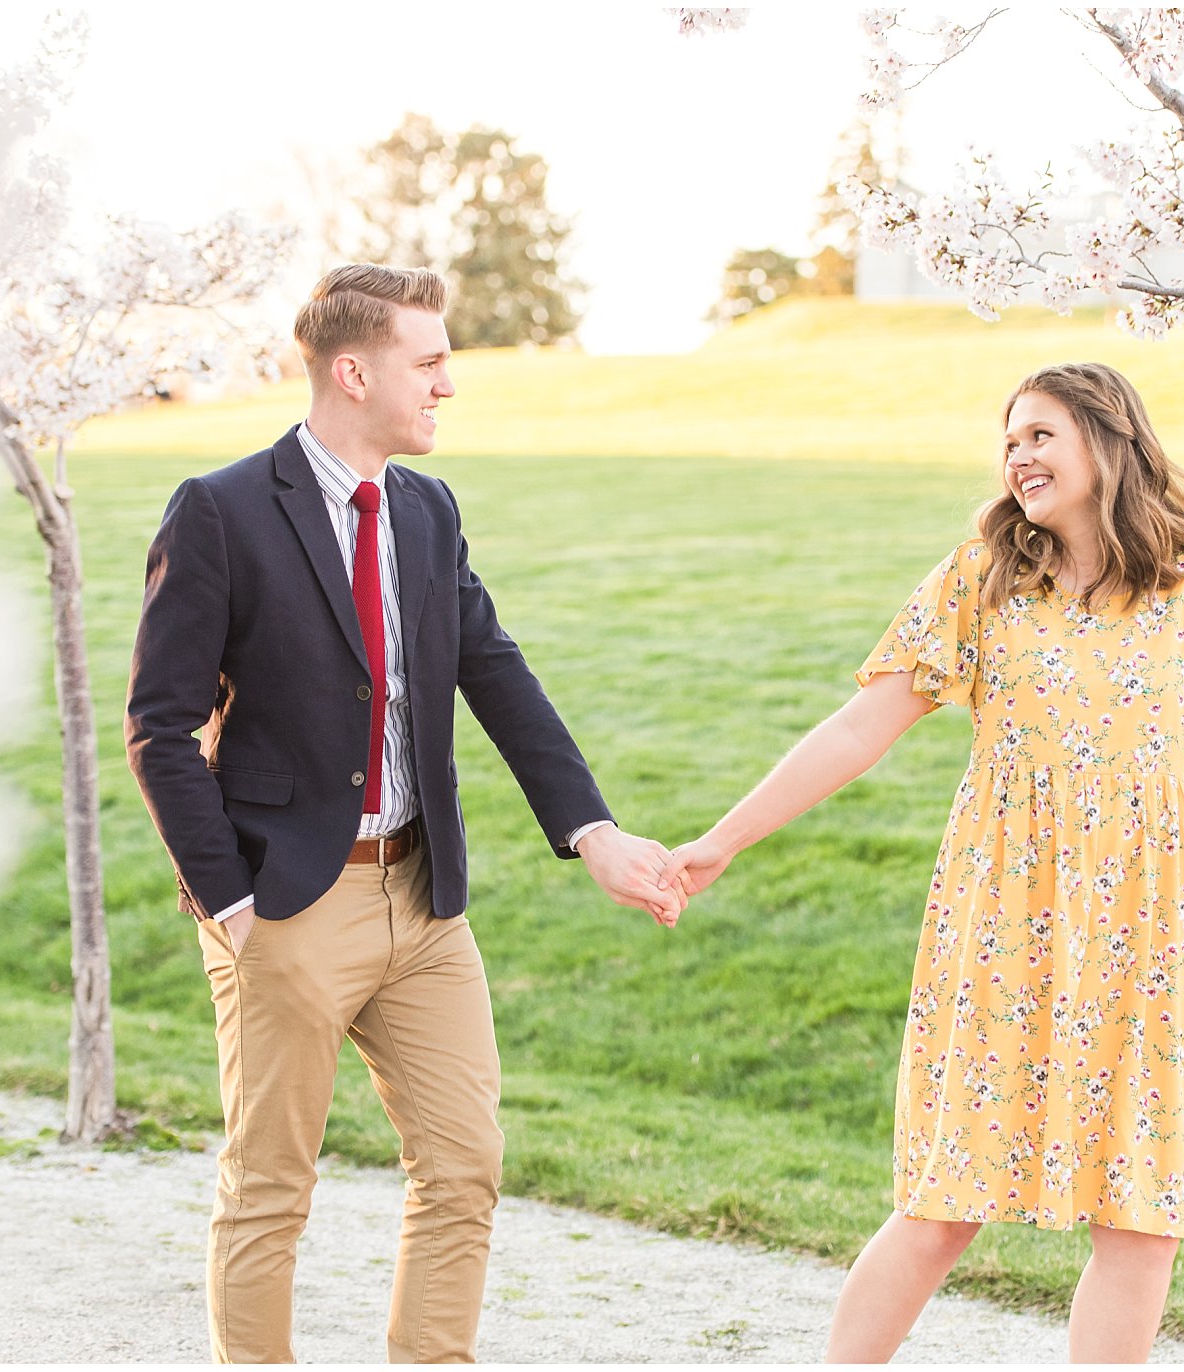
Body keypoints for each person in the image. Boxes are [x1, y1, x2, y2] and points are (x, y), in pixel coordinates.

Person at [124, 263, 683, 1364]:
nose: (446, 386)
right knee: (271, 1183)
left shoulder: (425, 510)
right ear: (352, 369)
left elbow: (494, 669)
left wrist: (594, 830)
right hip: (287, 904)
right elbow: (158, 727)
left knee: (464, 1165)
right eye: (428, 363)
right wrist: (230, 901)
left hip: (423, 903)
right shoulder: (222, 511)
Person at [671, 362, 1184, 1363]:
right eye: (1008, 441)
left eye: (1039, 434)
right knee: (945, 1196)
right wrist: (719, 841)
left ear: (1107, 440)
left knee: (1141, 1214)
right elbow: (859, 726)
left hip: (1149, 927)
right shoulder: (981, 580)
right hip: (1002, 920)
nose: (1017, 455)